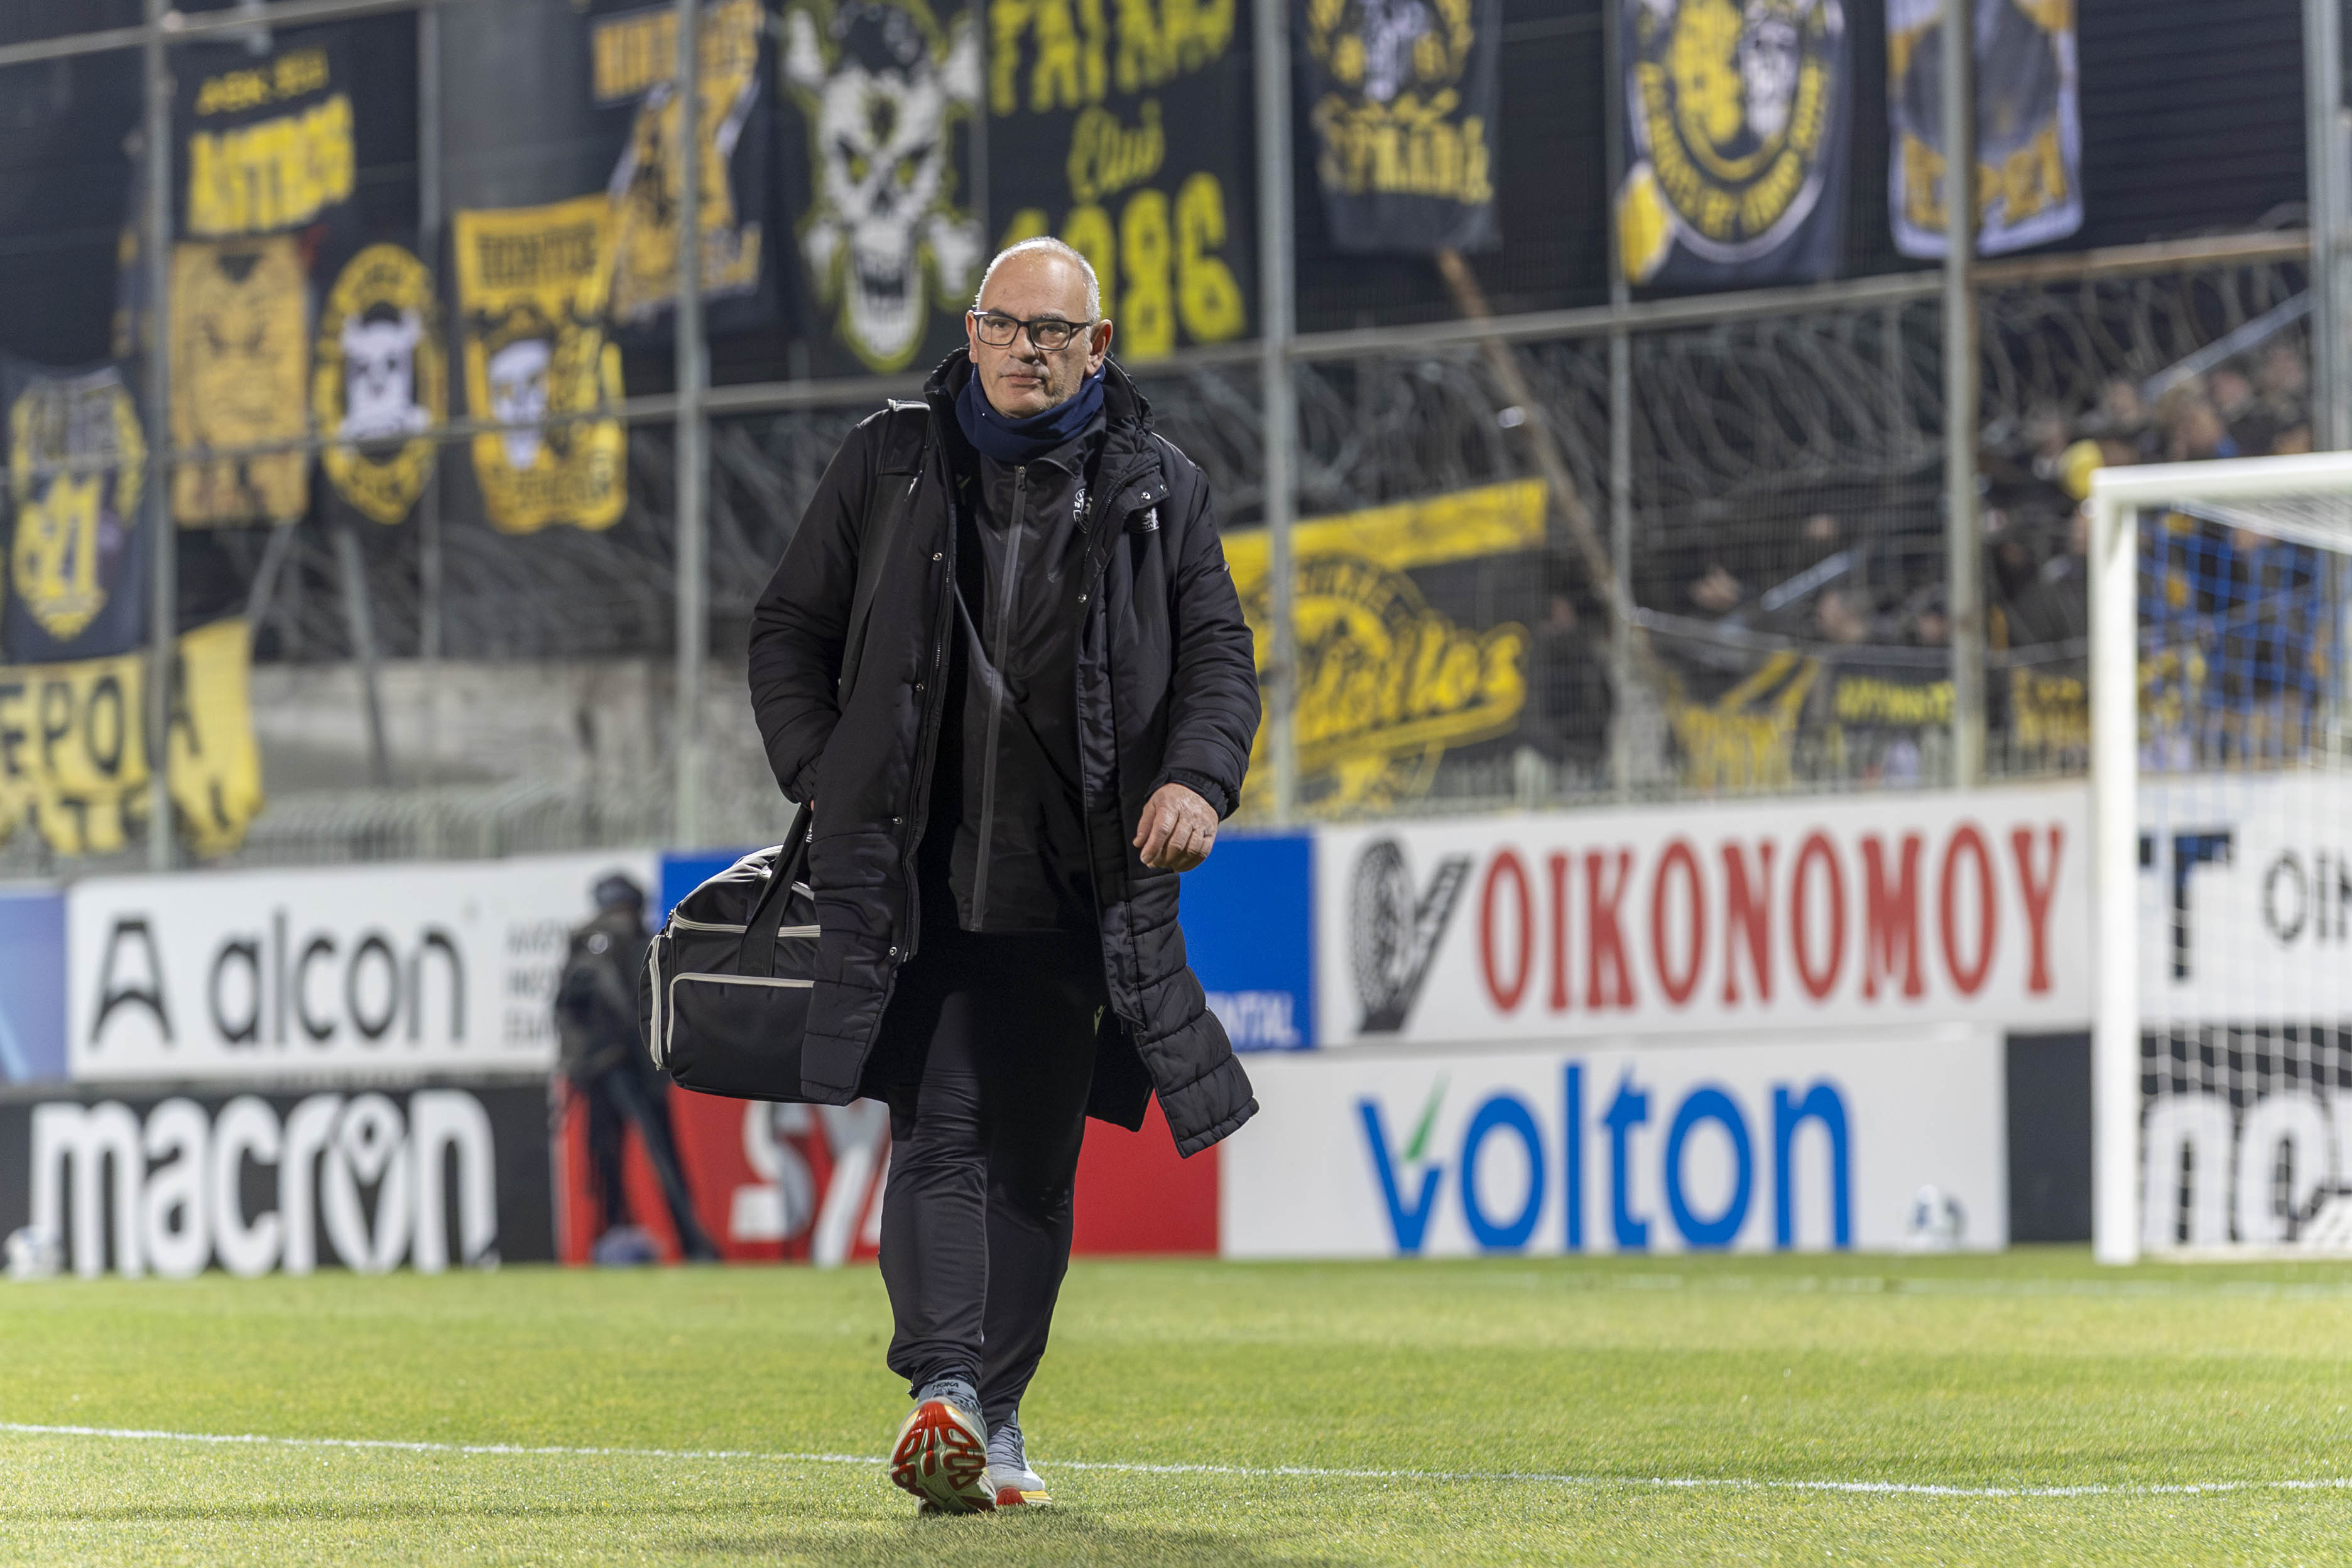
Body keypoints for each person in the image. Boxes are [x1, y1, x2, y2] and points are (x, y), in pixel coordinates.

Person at [746, 237, 1261, 1514]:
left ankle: (1000, 1410)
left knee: (1033, 1161)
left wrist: (1198, 782)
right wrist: (824, 771)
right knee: (939, 1125)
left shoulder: (1162, 489)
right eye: (1005, 324)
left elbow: (1219, 660)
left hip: (1081, 884)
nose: (1027, 349)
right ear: (970, 331)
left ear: (1098, 347)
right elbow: (787, 629)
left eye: (1054, 331)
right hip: (919, 878)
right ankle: (945, 1392)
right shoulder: (888, 459)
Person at [553, 872, 720, 1265]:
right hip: (634, 1064)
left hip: (594, 1067)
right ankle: (694, 1246)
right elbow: (650, 1002)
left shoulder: (582, 938)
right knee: (662, 1157)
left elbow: (564, 1008)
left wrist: (577, 1062)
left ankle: (608, 1240)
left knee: (605, 1163)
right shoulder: (636, 936)